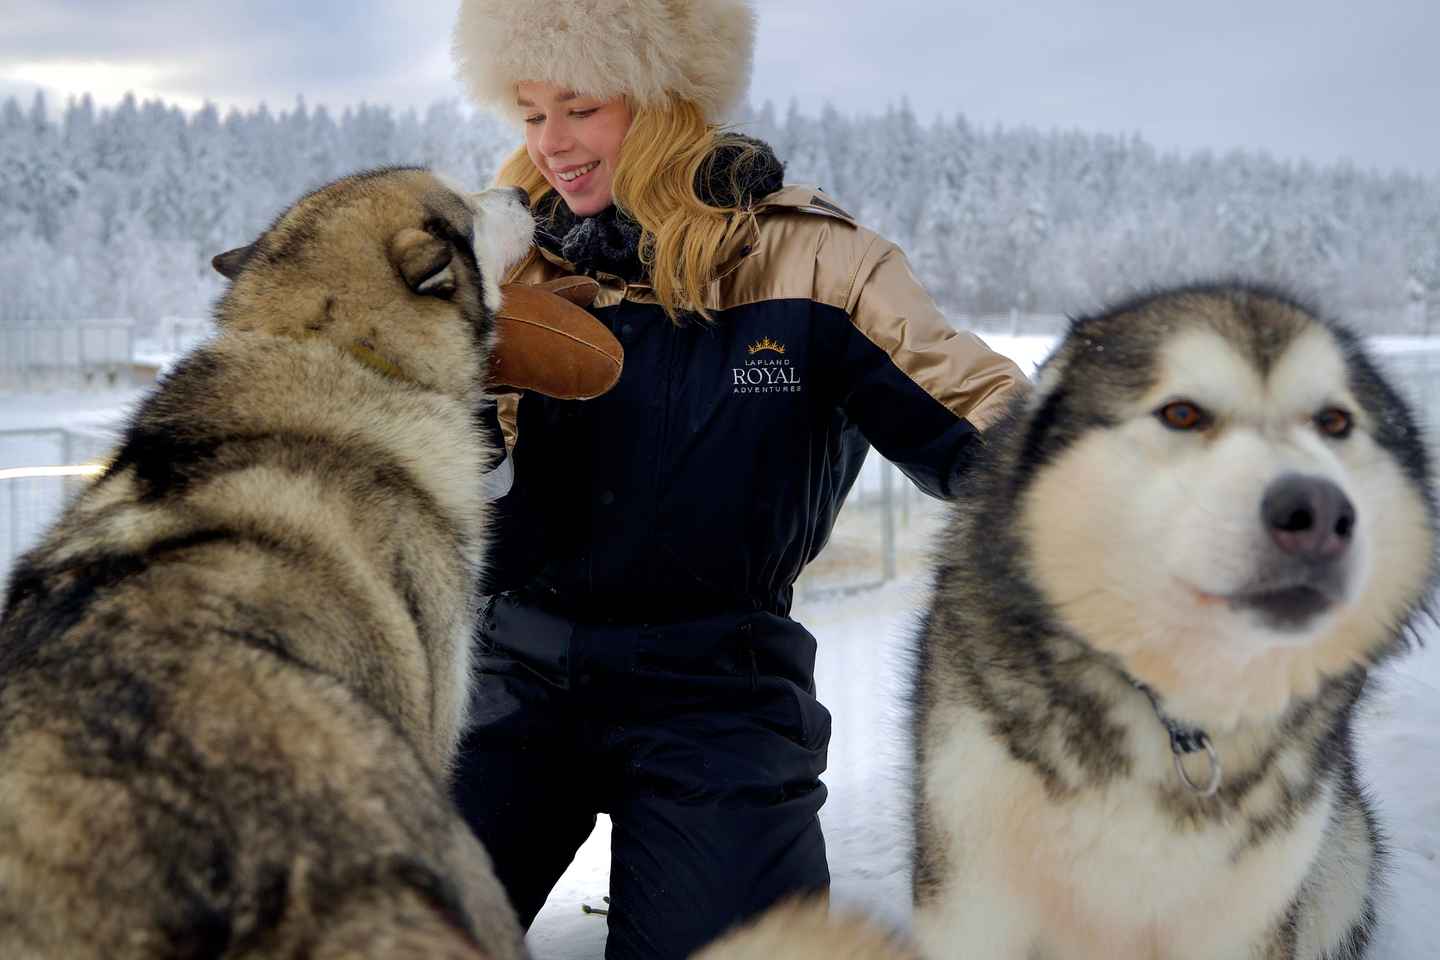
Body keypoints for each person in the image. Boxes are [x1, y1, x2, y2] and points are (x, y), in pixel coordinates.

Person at [450, 1, 1030, 956]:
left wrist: (1131, 493)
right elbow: (474, 530)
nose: (551, 144)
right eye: (529, 114)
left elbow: (992, 433)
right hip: (511, 676)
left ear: (665, 97)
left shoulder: (817, 263)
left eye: (580, 109)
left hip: (719, 690)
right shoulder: (510, 271)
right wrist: (457, 413)